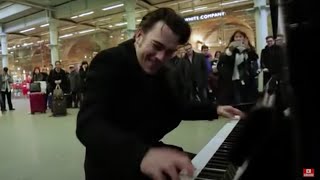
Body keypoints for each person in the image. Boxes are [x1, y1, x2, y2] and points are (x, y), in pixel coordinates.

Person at [76, 8, 243, 180]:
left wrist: (215, 109)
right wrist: (142, 154)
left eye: (170, 52)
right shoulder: (110, 61)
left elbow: (176, 105)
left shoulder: (163, 71)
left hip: (150, 154)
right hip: (115, 165)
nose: (161, 57)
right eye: (156, 46)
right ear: (139, 35)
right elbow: (89, 124)